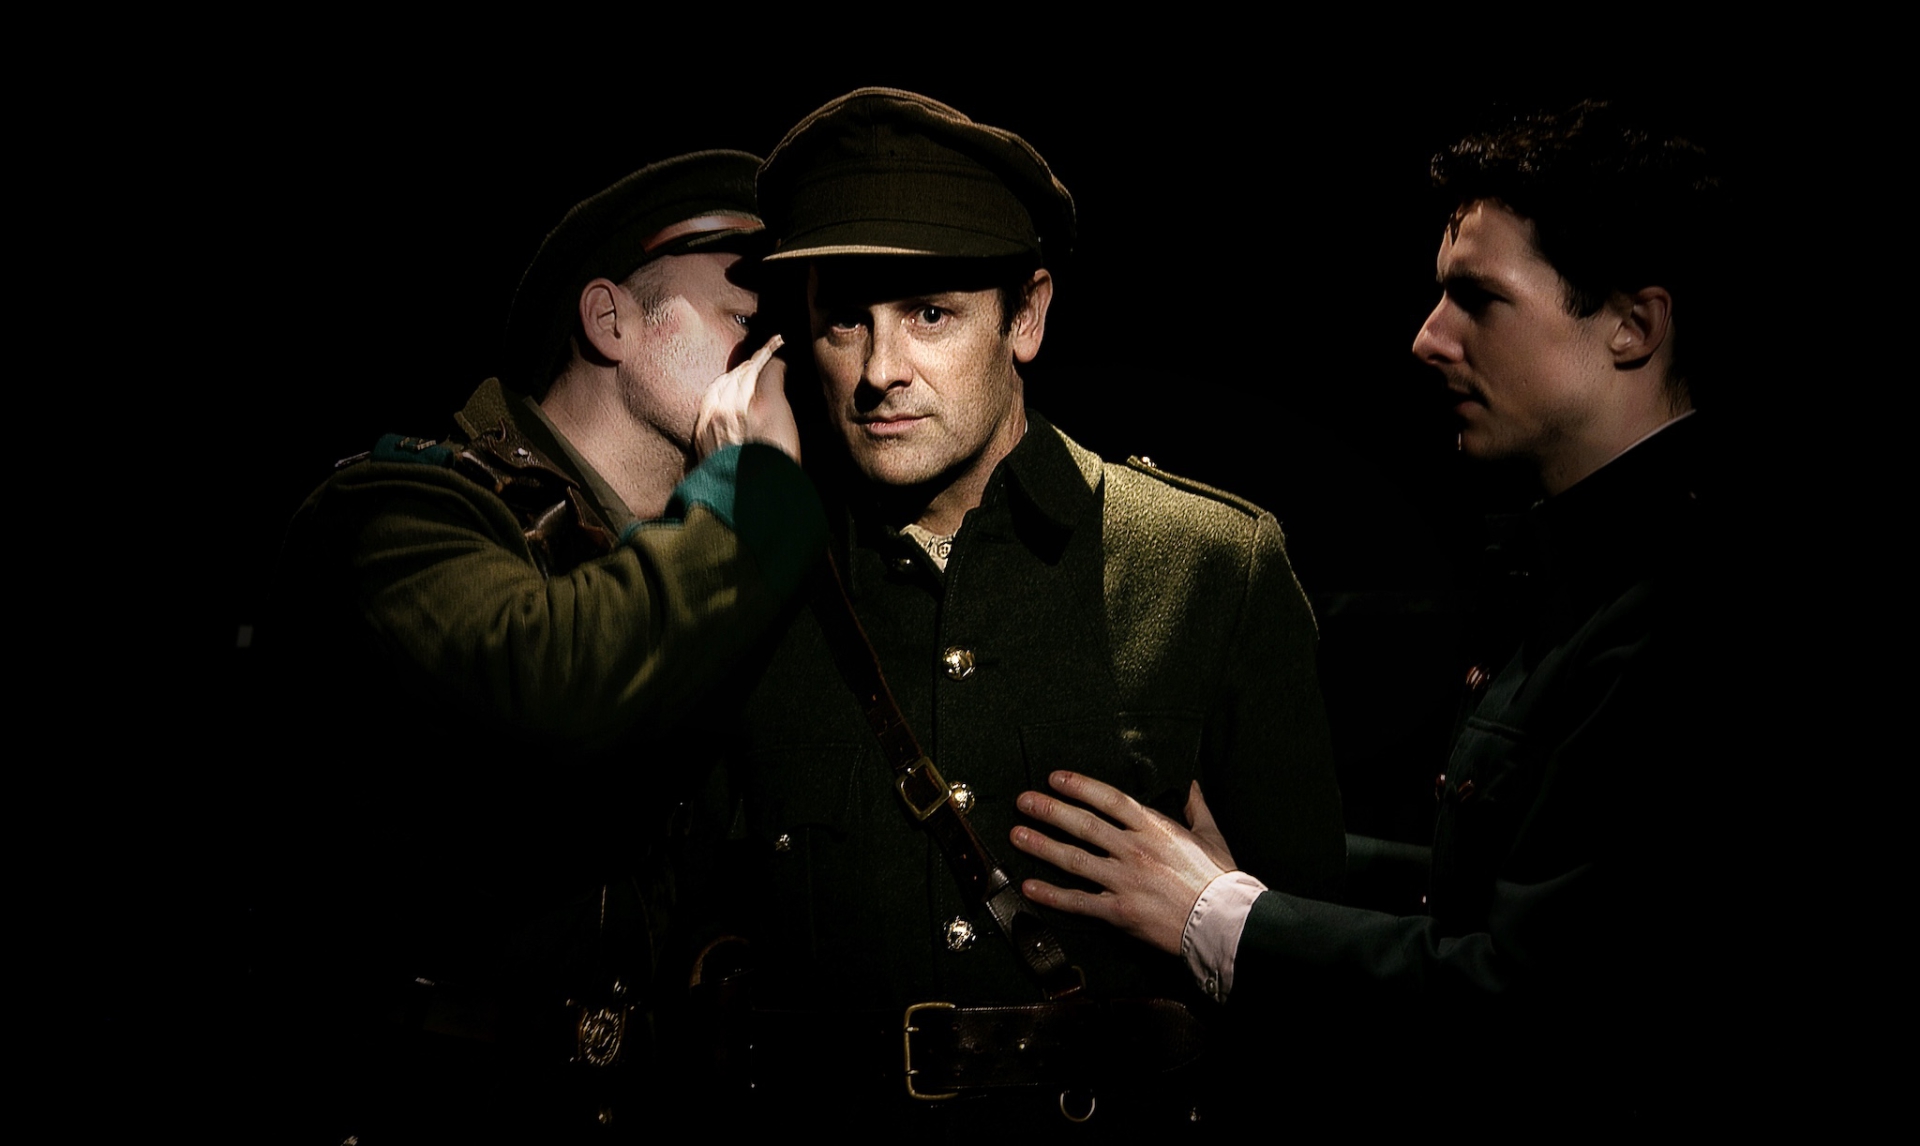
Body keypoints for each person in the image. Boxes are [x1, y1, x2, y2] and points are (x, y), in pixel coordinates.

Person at [1010, 102, 1747, 1115]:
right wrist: (1243, 844)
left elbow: (1530, 1002)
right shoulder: (1584, 570)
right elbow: (1485, 874)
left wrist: (1217, 914)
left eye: (1477, 300)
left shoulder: (1689, 608)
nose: (1427, 338)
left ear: (1633, 326)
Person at [694, 88, 1345, 1128]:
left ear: (1027, 315)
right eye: (843, 319)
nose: (878, 372)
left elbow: (1315, 969)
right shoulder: (753, 578)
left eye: (931, 314)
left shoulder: (1207, 565)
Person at [260, 150, 827, 1139]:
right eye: (746, 310)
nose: (779, 349)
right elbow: (550, 684)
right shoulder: (403, 512)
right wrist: (750, 496)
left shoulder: (742, 574)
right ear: (609, 320)